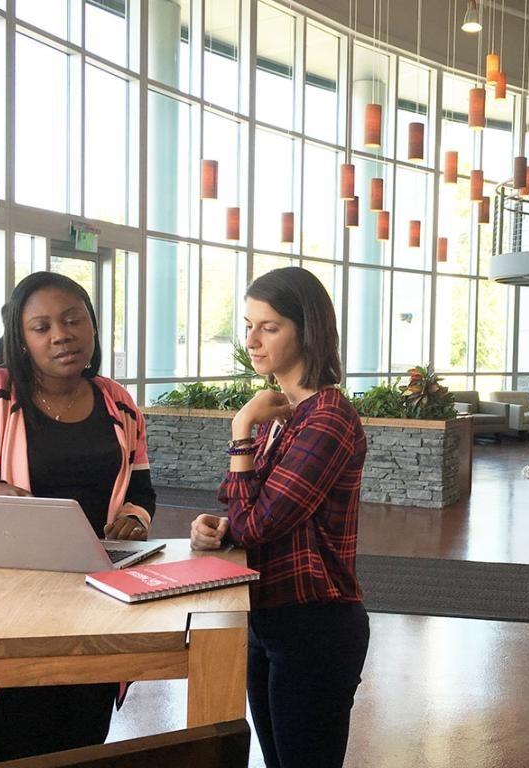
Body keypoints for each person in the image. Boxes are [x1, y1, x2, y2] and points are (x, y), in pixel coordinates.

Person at [0, 271, 155, 764]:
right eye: (41, 327)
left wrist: (135, 518)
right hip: (5, 606)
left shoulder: (118, 402)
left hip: (98, 600)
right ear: (20, 339)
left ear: (92, 325)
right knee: (12, 739)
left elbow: (142, 488)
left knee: (83, 744)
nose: (61, 335)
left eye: (73, 320)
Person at [189, 266, 369, 768]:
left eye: (268, 327)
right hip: (267, 615)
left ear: (307, 331)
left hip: (315, 623)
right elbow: (245, 509)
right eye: (248, 325)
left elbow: (258, 524)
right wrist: (219, 528)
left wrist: (241, 428)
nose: (251, 341)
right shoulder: (283, 413)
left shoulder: (327, 417)